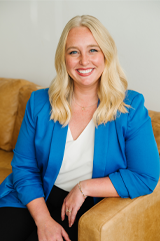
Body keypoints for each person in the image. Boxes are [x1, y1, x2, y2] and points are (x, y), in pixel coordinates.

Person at [0, 15, 159, 241]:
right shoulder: (39, 103)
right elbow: (24, 168)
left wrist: (84, 187)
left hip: (83, 204)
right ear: (64, 59)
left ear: (106, 54)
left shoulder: (131, 108)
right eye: (74, 52)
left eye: (93, 50)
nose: (84, 61)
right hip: (34, 195)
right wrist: (43, 220)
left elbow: (145, 176)